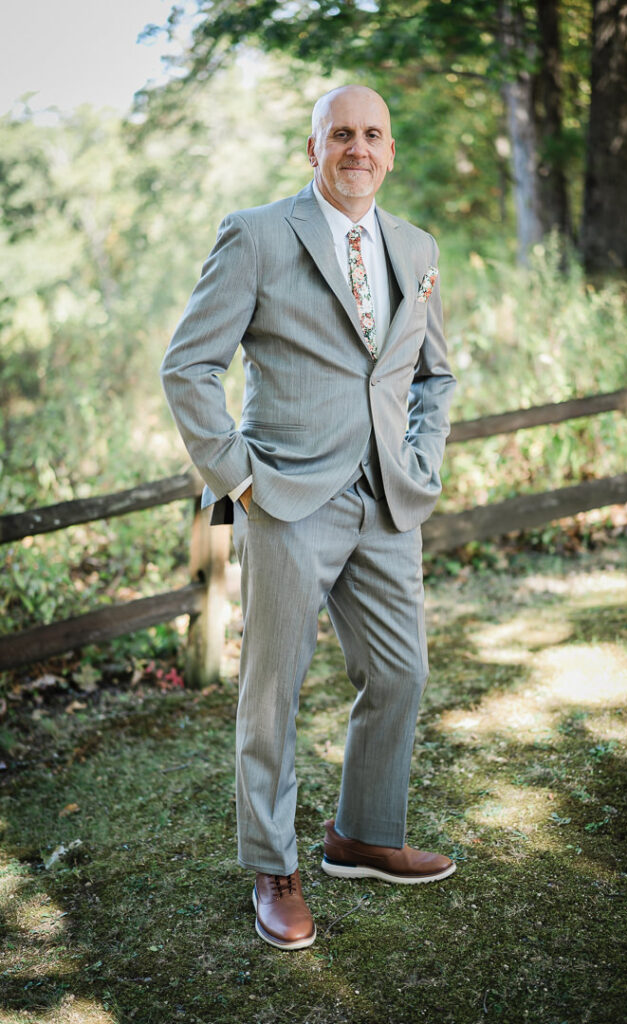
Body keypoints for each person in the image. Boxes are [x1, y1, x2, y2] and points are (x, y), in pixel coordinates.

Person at [161, 84, 457, 950]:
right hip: (286, 498)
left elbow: (433, 376)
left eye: (372, 135)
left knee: (400, 674)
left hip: (387, 499)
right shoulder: (256, 235)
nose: (357, 148)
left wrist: (420, 458)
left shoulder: (415, 246)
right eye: (341, 134)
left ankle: (361, 836)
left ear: (389, 151)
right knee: (272, 694)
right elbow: (188, 367)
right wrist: (237, 478)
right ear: (313, 148)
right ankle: (274, 867)